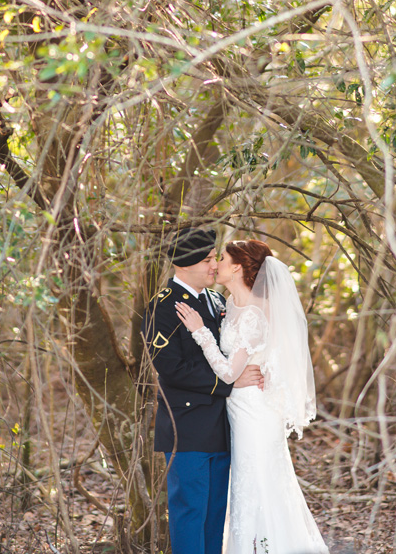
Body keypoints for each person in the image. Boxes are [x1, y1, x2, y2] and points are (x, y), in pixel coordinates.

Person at [176, 239, 330, 554]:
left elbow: (229, 373)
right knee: (247, 484)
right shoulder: (228, 304)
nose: (215, 262)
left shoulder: (254, 316)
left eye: (222, 257)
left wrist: (199, 331)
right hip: (237, 408)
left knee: (258, 482)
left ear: (238, 266)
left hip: (254, 412)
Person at [142, 228, 265, 554]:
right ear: (185, 264)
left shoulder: (216, 300)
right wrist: (229, 382)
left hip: (224, 427)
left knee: (214, 517)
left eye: (215, 258)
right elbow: (172, 368)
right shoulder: (162, 308)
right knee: (190, 515)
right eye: (208, 259)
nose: (214, 265)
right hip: (186, 427)